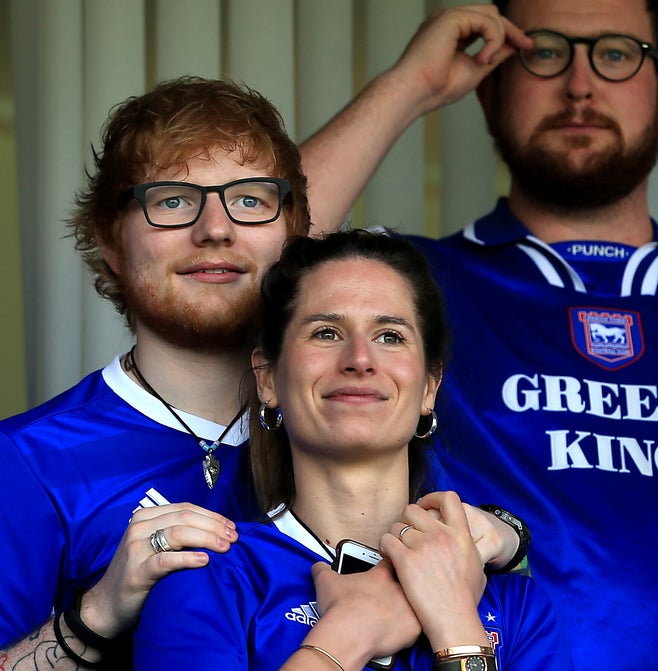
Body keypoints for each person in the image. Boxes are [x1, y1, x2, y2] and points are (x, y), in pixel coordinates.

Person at [0, 77, 520, 669]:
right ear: (110, 240)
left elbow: (504, 559)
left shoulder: (357, 410)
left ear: (295, 234)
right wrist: (95, 615)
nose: (215, 229)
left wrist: (509, 537)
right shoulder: (26, 460)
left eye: (249, 200)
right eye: (171, 200)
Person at [298, 2, 658, 670]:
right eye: (545, 52)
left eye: (616, 53)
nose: (580, 85)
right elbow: (247, 259)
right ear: (489, 89)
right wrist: (413, 83)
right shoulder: (407, 289)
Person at [133, 230, 573, 671]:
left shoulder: (516, 604)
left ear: (430, 388)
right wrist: (350, 633)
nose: (360, 358)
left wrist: (456, 625)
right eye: (326, 332)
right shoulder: (207, 581)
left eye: (390, 336)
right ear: (267, 379)